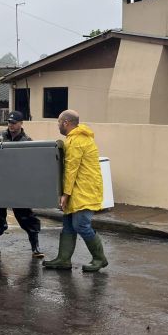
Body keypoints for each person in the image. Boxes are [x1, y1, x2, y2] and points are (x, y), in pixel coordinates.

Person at [43, 109, 108, 272]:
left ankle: (100, 258)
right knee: (68, 225)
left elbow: (71, 170)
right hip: (79, 189)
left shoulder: (76, 141)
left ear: (66, 123)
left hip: (84, 191)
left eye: (59, 122)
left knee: (81, 225)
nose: (58, 125)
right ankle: (63, 259)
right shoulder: (76, 138)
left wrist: (65, 194)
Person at [0, 111, 43, 258]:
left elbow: (33, 164)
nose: (11, 125)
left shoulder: (27, 141)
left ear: (21, 123)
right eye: (9, 122)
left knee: (26, 216)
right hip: (0, 183)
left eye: (14, 123)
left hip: (18, 185)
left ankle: (35, 245)